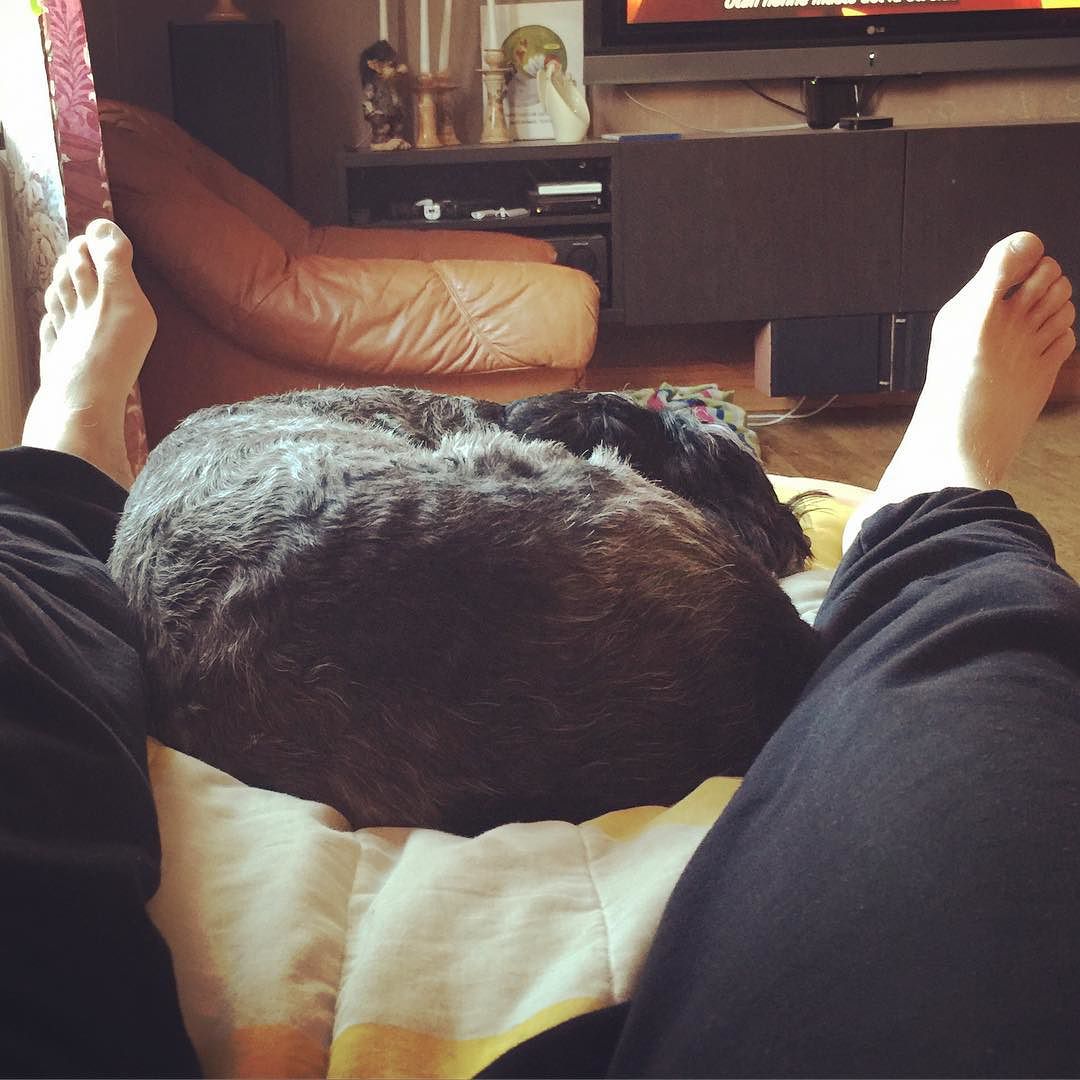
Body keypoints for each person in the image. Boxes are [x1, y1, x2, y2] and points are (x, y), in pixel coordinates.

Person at [3, 219, 1078, 1077]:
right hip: (667, 654)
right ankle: (939, 488)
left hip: (239, 664)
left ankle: (68, 441)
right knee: (999, 678)